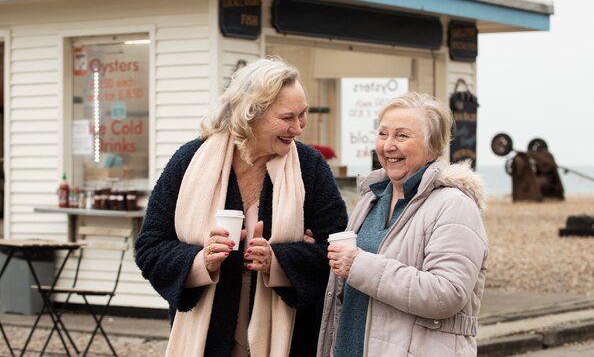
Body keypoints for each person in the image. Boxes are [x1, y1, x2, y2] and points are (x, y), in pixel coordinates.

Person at [135, 57, 348, 357]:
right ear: (251, 113)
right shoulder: (189, 161)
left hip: (289, 340)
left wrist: (277, 261)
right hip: (207, 339)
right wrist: (201, 260)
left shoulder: (310, 167)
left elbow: (336, 250)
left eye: (303, 115)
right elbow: (149, 247)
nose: (298, 128)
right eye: (287, 117)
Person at [317, 92, 488, 357]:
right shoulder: (372, 198)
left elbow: (448, 293)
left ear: (432, 147)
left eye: (401, 136)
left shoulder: (454, 204)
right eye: (383, 134)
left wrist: (359, 265)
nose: (388, 146)